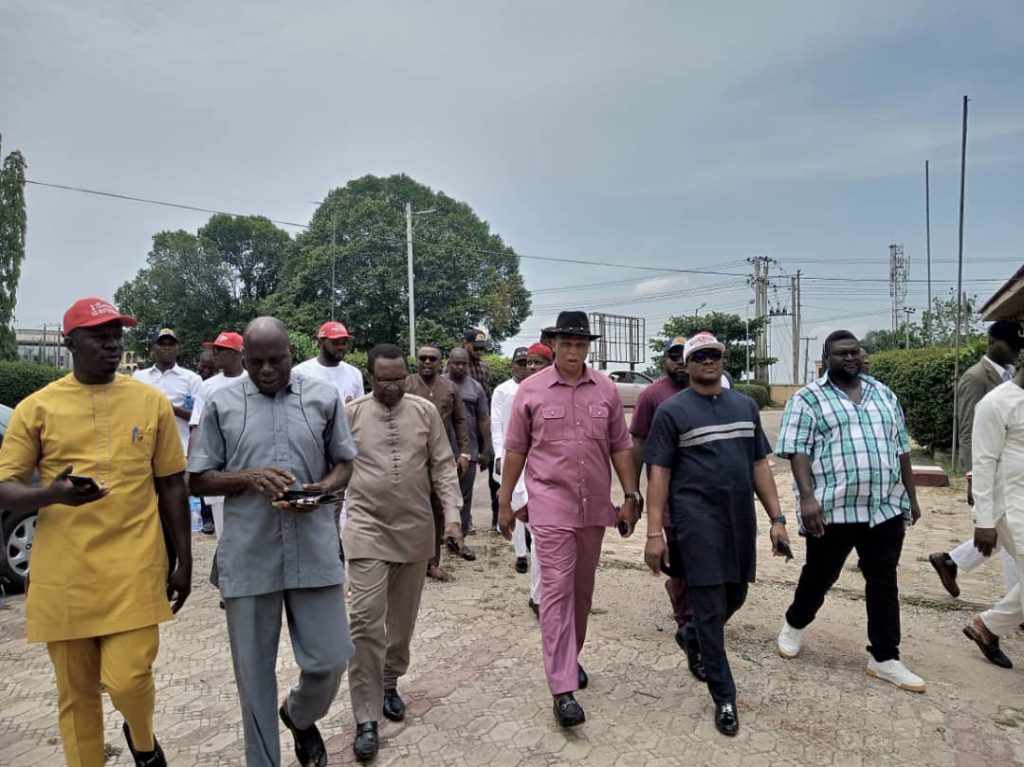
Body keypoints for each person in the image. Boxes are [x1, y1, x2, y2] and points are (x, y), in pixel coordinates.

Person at [0, 297, 192, 767]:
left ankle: (143, 743)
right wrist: (51, 495)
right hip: (64, 576)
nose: (112, 344)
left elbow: (171, 482)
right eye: (99, 336)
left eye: (117, 335)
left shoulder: (149, 403)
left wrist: (184, 559)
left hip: (134, 566)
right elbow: (5, 486)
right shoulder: (36, 408)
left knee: (129, 679)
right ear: (70, 343)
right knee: (76, 694)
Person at [189, 317, 358, 767]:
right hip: (249, 555)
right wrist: (247, 478)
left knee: (332, 658)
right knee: (254, 679)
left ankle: (299, 714)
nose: (267, 370)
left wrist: (321, 490)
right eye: (257, 361)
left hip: (313, 548)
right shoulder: (222, 403)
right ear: (243, 358)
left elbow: (344, 462)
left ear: (292, 352)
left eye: (277, 360)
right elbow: (198, 479)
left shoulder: (322, 398)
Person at [498, 311, 640, 728]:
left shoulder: (607, 390)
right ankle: (562, 688)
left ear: (587, 347)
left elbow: (620, 446)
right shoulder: (532, 390)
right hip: (550, 505)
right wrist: (506, 502)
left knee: (581, 592)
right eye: (567, 343)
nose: (574, 350)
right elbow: (516, 451)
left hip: (594, 507)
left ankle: (569, 657)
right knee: (557, 590)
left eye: (581, 344)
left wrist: (630, 495)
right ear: (554, 344)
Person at [642, 332, 789, 736]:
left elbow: (760, 464)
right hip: (696, 521)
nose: (708, 361)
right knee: (708, 607)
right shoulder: (672, 411)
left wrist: (777, 519)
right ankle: (724, 697)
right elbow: (659, 474)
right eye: (700, 355)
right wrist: (655, 532)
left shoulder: (744, 406)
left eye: (715, 354)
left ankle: (692, 634)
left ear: (725, 360)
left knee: (736, 594)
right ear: (686, 364)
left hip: (739, 520)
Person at [775, 330, 925, 693]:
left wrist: (910, 495)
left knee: (883, 582)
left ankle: (885, 657)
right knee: (820, 577)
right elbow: (797, 451)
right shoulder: (808, 399)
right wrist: (807, 499)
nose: (849, 358)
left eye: (854, 352)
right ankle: (794, 624)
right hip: (833, 509)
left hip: (884, 507)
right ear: (827, 358)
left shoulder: (883, 394)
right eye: (841, 353)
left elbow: (901, 447)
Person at [342, 344, 464, 762]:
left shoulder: (424, 411)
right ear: (369, 376)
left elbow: (443, 465)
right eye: (383, 380)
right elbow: (337, 468)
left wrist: (452, 516)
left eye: (398, 378)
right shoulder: (352, 413)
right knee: (364, 620)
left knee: (402, 620)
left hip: (415, 530)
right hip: (365, 528)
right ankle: (366, 716)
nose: (391, 387)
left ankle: (390, 681)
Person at [929, 320, 1024, 598]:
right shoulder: (975, 377)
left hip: (1012, 472)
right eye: (1011, 346)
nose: (1016, 352)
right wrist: (971, 477)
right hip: (993, 474)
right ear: (992, 341)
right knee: (1011, 541)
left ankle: (951, 561)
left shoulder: (1009, 374)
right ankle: (1014, 607)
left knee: (1005, 535)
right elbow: (970, 430)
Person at [629, 336, 696, 672]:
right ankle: (687, 623)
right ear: (665, 360)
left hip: (706, 492)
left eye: (687, 355)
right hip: (667, 490)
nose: (681, 361)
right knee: (681, 558)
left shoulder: (710, 389)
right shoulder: (652, 396)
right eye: (674, 355)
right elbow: (637, 442)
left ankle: (684, 594)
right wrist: (633, 491)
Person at [960, 364, 1024, 669]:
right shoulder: (996, 403)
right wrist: (983, 521)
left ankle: (987, 626)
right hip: (1012, 509)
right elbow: (983, 463)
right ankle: (988, 626)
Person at [405, 344, 471, 579]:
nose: (427, 362)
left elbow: (461, 420)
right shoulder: (407, 384)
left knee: (438, 510)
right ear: (416, 361)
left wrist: (464, 453)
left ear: (439, 361)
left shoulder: (449, 387)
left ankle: (432, 563)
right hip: (410, 457)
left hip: (441, 457)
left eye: (432, 358)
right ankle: (410, 561)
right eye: (422, 358)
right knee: (410, 509)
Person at [188, 331, 246, 538]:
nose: (215, 354)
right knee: (224, 534)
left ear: (238, 353)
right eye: (214, 349)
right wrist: (192, 465)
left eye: (220, 349)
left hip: (250, 462)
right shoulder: (208, 386)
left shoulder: (254, 381)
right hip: (219, 466)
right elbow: (196, 427)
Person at [515, 343, 554, 616]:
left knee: (543, 540)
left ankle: (543, 596)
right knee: (537, 537)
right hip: (521, 470)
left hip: (548, 478)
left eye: (538, 363)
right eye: (529, 362)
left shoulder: (556, 395)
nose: (532, 367)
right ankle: (538, 596)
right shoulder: (512, 392)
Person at [445, 346, 489, 548]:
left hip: (468, 451)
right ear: (449, 362)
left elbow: (483, 419)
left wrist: (485, 448)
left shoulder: (475, 388)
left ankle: (459, 538)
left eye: (463, 363)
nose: (460, 366)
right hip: (442, 451)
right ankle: (441, 535)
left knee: (464, 497)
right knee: (440, 495)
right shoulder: (439, 385)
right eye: (456, 362)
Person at [492, 346, 531, 572]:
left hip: (535, 456)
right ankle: (520, 553)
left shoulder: (538, 389)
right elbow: (497, 424)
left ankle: (536, 543)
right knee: (514, 503)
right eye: (520, 363)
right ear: (513, 365)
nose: (524, 367)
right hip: (510, 454)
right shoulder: (503, 390)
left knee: (533, 502)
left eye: (528, 362)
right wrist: (498, 454)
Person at [133, 327, 202, 455]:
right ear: (153, 348)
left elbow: (198, 417)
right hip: (144, 450)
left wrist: (170, 408)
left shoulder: (192, 379)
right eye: (162, 344)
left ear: (178, 349)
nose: (167, 347)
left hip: (180, 449)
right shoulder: (138, 377)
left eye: (171, 344)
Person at [293, 320, 365, 404]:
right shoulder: (300, 373)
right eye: (335, 343)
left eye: (344, 343)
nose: (341, 347)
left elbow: (359, 409)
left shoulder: (354, 373)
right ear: (320, 342)